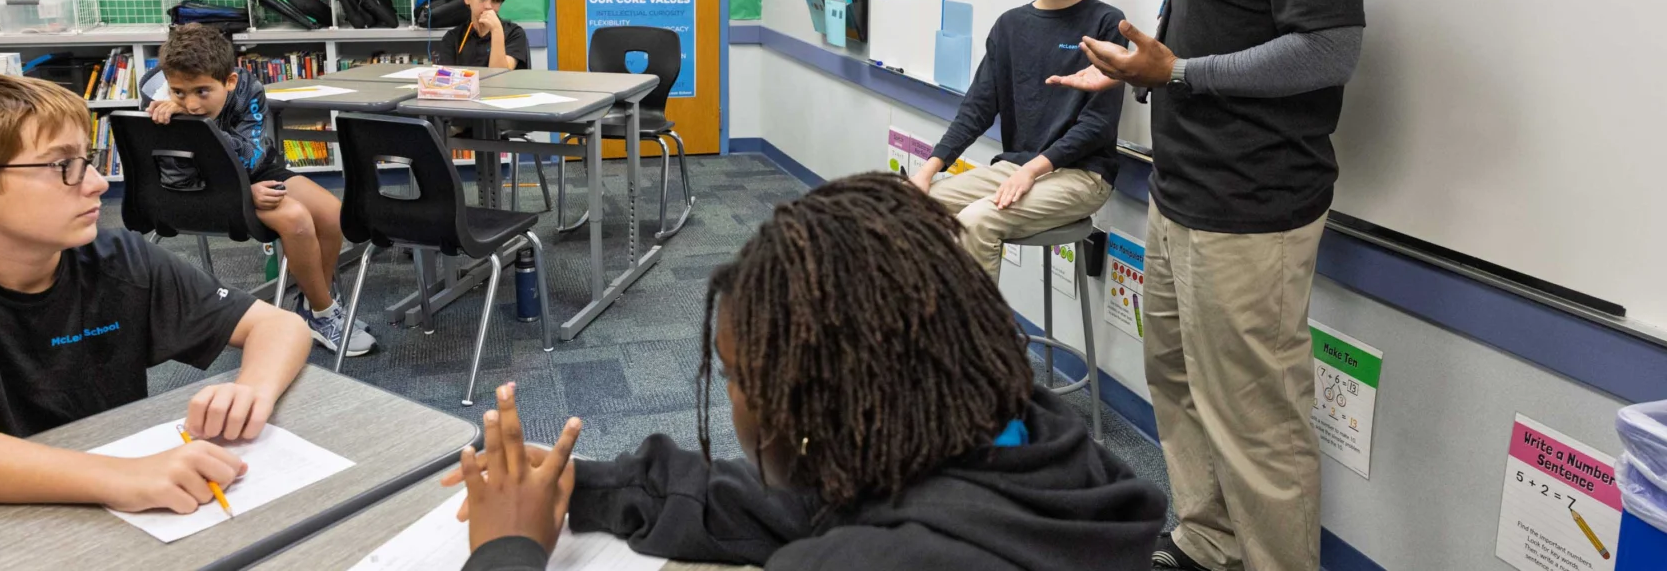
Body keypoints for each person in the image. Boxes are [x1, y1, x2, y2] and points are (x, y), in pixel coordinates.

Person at [450, 173, 1167, 570]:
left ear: (810, 411)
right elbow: (803, 502)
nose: (730, 402)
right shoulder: (1032, 442)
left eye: (733, 378)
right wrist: (587, 486)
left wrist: (507, 553)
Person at [1051, 0, 1365, 569]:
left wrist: (1180, 70)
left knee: (1258, 423)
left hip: (1252, 210)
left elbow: (1329, 50)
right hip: (1182, 194)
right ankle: (1208, 540)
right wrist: (1136, 76)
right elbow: (1215, 47)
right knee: (1179, 384)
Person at [0, 73, 310, 511]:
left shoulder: (118, 260)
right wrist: (118, 477)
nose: (99, 184)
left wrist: (252, 390)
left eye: (89, 159)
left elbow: (280, 325)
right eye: (63, 166)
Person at [907, 0, 1128, 280]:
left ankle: (978, 338)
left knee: (978, 219)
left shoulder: (1106, 22)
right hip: (1016, 167)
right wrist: (928, 171)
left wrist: (1032, 171)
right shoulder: (1010, 26)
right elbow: (976, 109)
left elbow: (1099, 125)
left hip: (1082, 175)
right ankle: (930, 324)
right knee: (910, 209)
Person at [142, 23, 376, 356]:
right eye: (179, 92)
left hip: (253, 170)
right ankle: (323, 315)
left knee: (331, 214)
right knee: (295, 220)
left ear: (230, 81)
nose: (190, 104)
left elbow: (252, 156)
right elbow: (175, 178)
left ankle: (313, 305)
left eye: (202, 92)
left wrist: (204, 132)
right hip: (198, 189)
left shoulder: (248, 88)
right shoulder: (159, 102)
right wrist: (241, 194)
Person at [434, 0, 530, 70]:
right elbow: (447, 80)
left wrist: (496, 30)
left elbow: (500, 78)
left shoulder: (514, 33)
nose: (488, 6)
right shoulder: (453, 38)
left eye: (496, 0)